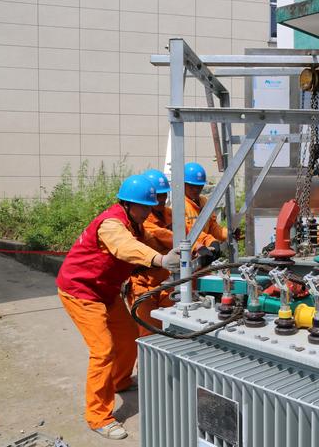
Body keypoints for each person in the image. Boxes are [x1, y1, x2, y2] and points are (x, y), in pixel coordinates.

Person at [56, 175, 181, 440]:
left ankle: (120, 381)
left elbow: (152, 241)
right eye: (144, 206)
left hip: (106, 291)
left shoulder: (136, 225)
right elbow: (126, 248)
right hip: (80, 291)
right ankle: (98, 416)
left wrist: (189, 250)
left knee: (127, 337)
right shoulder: (112, 224)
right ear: (127, 203)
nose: (148, 211)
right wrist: (159, 260)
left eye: (151, 206)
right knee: (103, 350)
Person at [124, 169, 176, 337]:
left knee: (170, 329)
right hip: (142, 284)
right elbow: (172, 237)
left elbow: (189, 231)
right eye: (157, 196)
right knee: (148, 334)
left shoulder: (169, 214)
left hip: (165, 281)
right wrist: (195, 245)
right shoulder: (144, 222)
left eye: (164, 195)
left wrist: (206, 242)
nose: (161, 199)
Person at [184, 162, 241, 255]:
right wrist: (210, 241)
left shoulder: (204, 202)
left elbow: (212, 226)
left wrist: (228, 233)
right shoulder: (180, 207)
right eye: (192, 186)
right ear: (183, 184)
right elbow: (188, 233)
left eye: (199, 186)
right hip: (189, 255)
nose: (196, 190)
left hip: (204, 252)